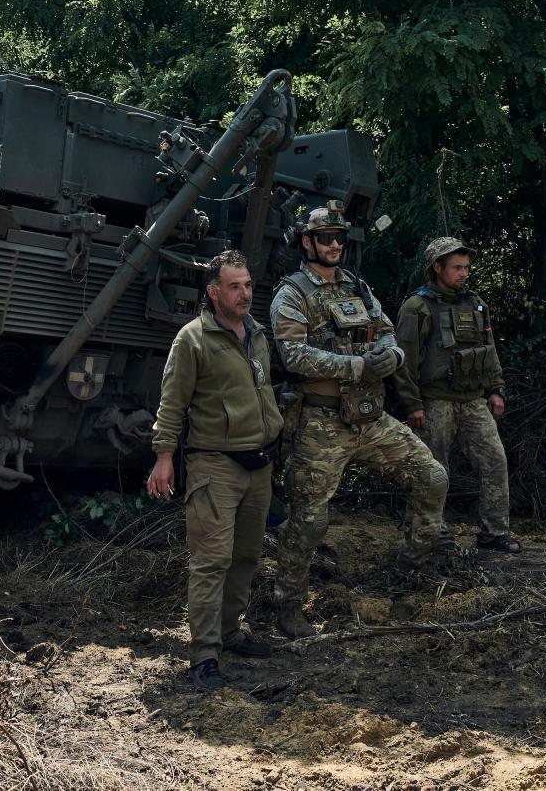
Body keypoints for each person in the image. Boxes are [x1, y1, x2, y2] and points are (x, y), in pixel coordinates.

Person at [269, 203, 449, 639]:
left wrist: (394, 356)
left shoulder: (358, 288)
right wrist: (355, 367)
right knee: (309, 519)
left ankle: (406, 568)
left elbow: (387, 333)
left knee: (432, 477)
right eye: (326, 237)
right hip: (320, 421)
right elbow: (292, 354)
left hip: (371, 419)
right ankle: (287, 606)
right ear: (307, 242)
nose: (334, 245)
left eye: (339, 238)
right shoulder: (291, 293)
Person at [148, 249, 284, 692]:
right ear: (213, 291)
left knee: (246, 555)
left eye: (247, 285)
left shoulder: (257, 333)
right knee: (211, 561)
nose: (245, 294)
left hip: (258, 464)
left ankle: (230, 633)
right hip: (214, 465)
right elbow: (173, 402)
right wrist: (164, 455)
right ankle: (205, 653)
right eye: (234, 286)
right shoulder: (193, 339)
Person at [395, 237, 521, 553]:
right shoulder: (417, 307)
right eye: (457, 267)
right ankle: (432, 534)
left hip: (473, 399)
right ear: (437, 268)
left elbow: (488, 351)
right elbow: (403, 359)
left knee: (494, 460)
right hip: (434, 400)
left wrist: (496, 389)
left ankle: (495, 533)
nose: (464, 273)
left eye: (466, 267)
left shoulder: (475, 304)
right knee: (433, 469)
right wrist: (412, 403)